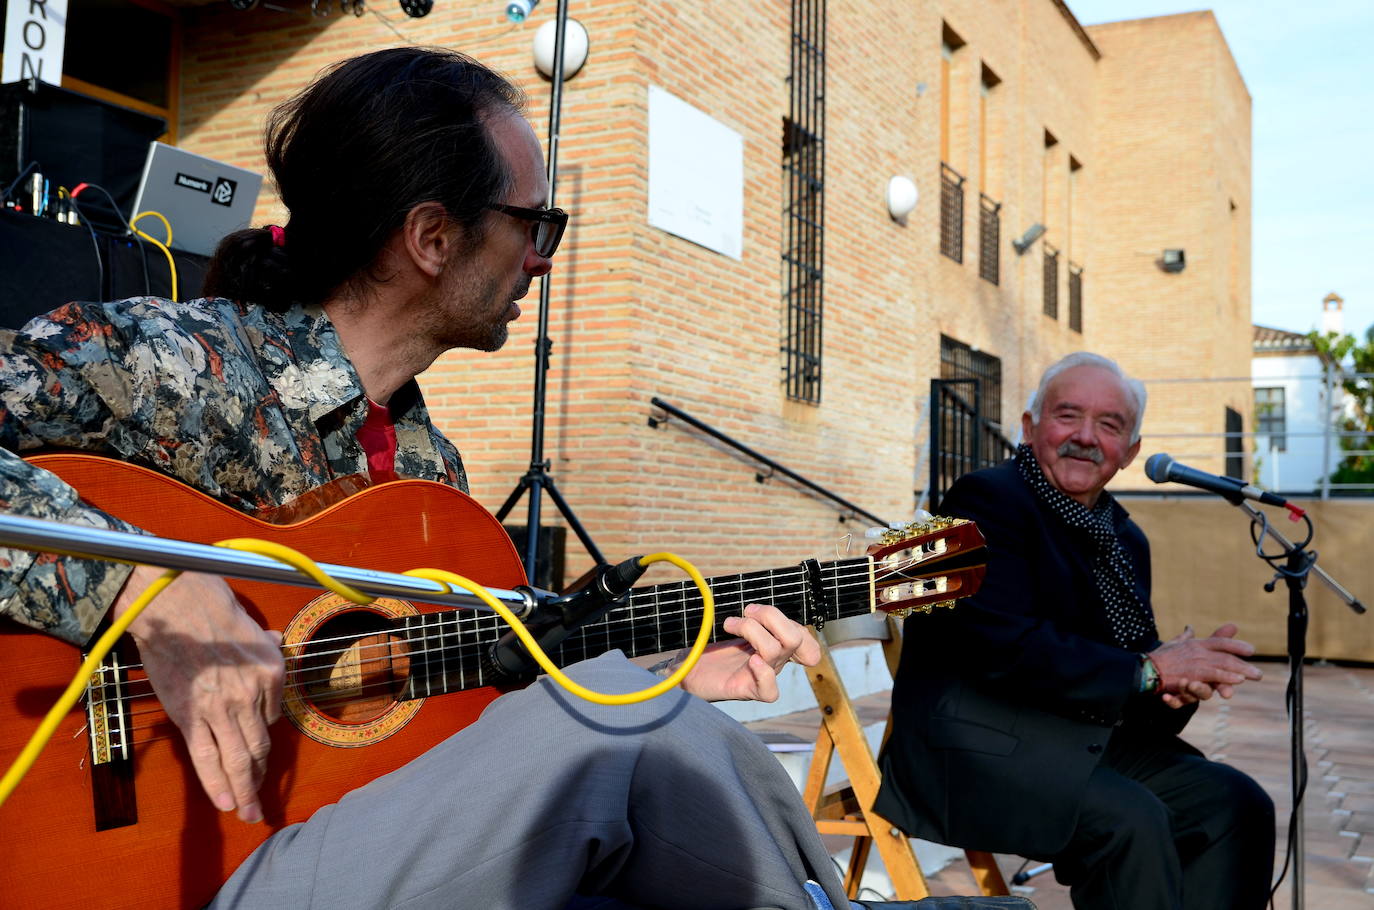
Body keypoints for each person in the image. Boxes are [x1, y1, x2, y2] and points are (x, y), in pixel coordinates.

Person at [0, 47, 853, 910]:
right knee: (613, 723)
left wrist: (665, 669)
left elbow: (441, 716)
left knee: (627, 744)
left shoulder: (426, 475)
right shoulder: (175, 365)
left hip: (321, 844)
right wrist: (150, 588)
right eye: (534, 224)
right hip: (150, 873)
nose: (542, 259)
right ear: (433, 238)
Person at [873, 352, 1276, 910]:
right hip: (976, 745)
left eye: (1109, 425)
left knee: (1234, 802)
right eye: (1068, 415)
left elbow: (1128, 675)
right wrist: (1149, 669)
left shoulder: (1124, 537)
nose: (1086, 437)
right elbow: (998, 645)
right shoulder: (982, 499)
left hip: (1073, 739)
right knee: (1130, 821)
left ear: (1130, 452)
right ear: (1030, 427)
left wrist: (1172, 688)